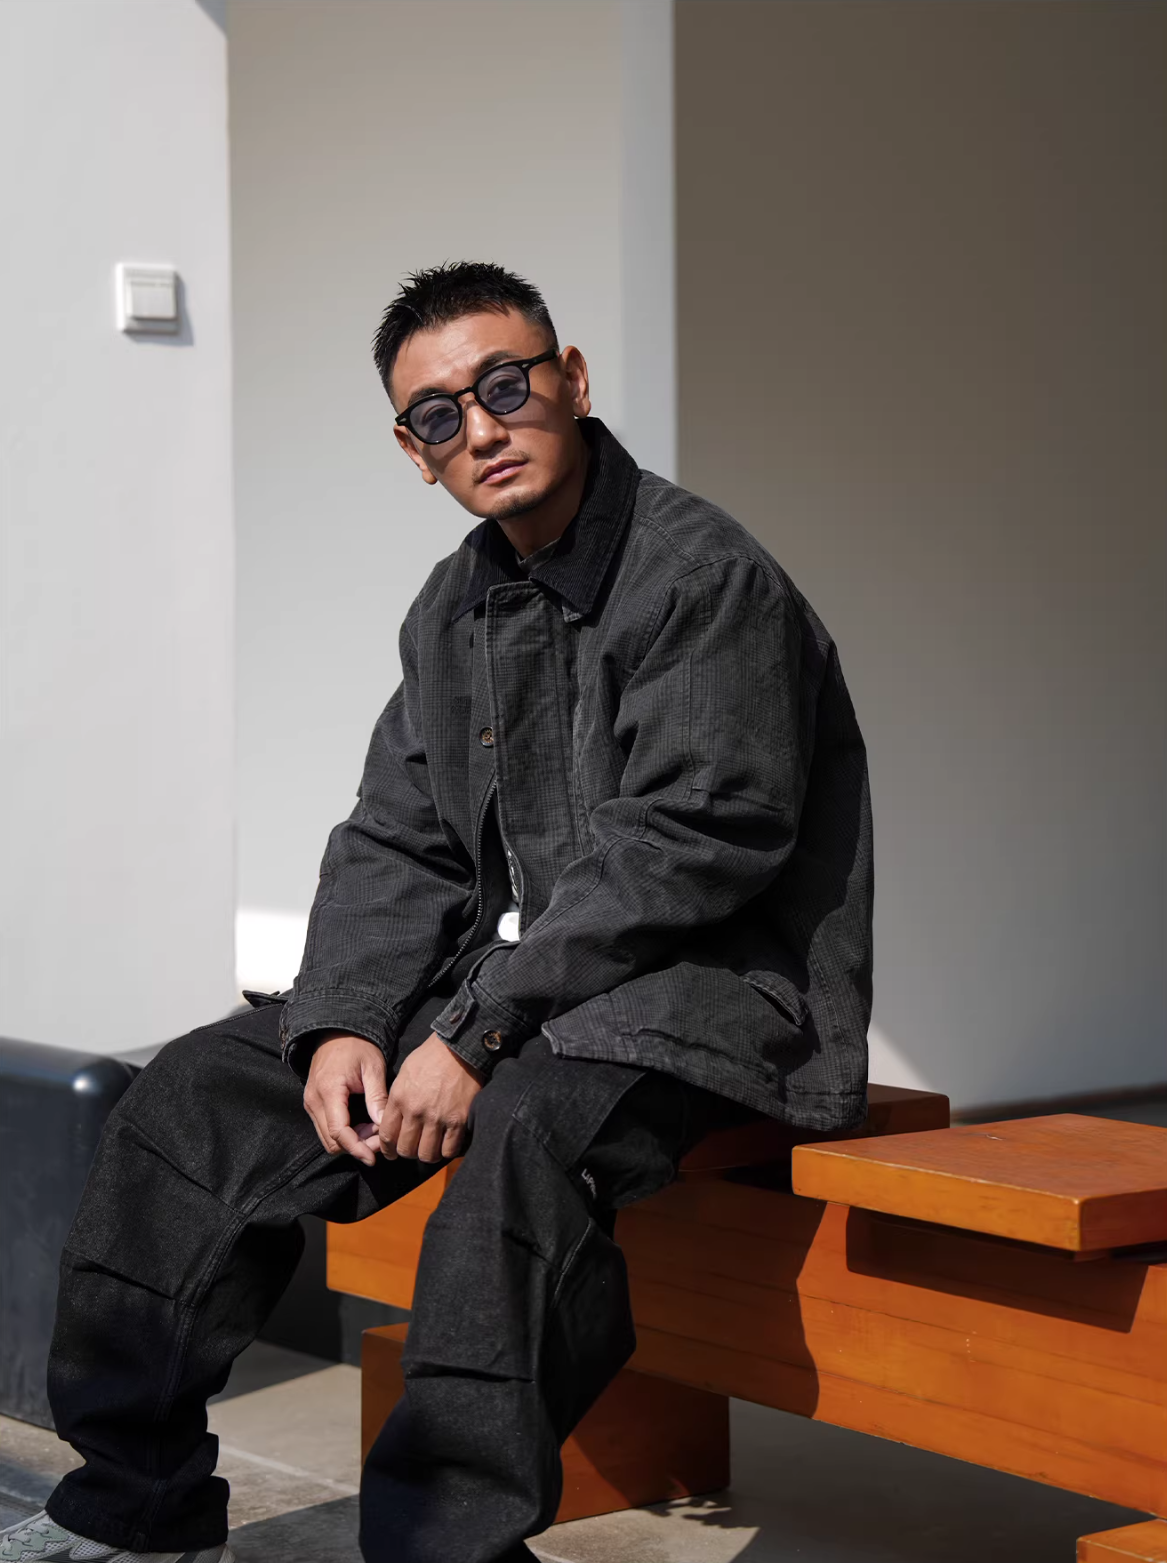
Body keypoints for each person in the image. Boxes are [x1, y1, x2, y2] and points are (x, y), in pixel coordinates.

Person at [5, 262, 873, 1563]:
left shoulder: (702, 575)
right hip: (538, 987)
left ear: (571, 380)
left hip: (713, 996)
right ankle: (140, 1508)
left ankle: (446, 1549)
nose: (480, 427)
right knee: (198, 1093)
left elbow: (692, 848)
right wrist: (340, 1022)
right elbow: (395, 836)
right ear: (413, 452)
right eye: (436, 414)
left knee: (521, 1132)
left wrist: (475, 1033)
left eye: (505, 386)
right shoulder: (455, 604)